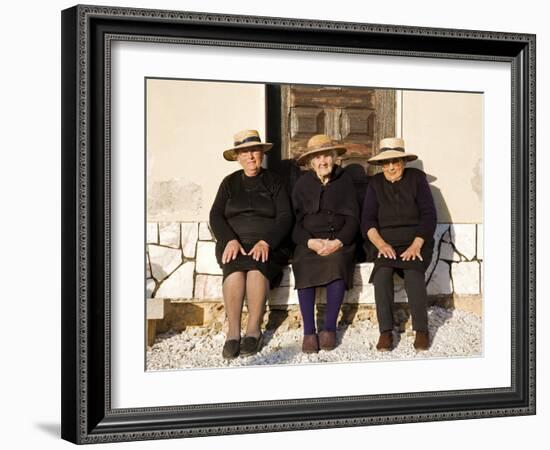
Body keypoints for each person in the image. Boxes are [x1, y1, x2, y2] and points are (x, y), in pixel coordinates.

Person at [209, 130, 293, 359]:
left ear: (261, 153)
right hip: (234, 243)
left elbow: (285, 216)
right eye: (244, 152)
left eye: (254, 150)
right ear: (237, 156)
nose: (250, 156)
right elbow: (216, 215)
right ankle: (233, 333)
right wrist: (229, 240)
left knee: (257, 268)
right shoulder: (229, 183)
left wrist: (267, 242)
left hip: (268, 244)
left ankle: (253, 330)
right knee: (235, 271)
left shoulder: (275, 182)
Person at [361, 137, 437, 351]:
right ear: (381, 165)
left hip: (415, 240)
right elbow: (367, 220)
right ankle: (386, 331)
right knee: (382, 274)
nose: (392, 167)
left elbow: (429, 215)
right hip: (386, 243)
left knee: (413, 273)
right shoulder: (375, 184)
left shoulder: (416, 179)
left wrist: (417, 245)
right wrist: (381, 244)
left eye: (396, 161)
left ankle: (421, 329)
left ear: (404, 162)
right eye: (387, 162)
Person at [291, 134, 360, 353]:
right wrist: (309, 242)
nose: (323, 162)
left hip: (338, 240)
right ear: (311, 163)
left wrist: (338, 242)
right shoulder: (302, 184)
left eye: (326, 156)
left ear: (334, 158)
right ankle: (309, 332)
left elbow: (353, 219)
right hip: (310, 241)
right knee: (302, 262)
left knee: (337, 262)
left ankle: (329, 328)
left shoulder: (345, 181)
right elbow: (294, 222)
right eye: (317, 158)